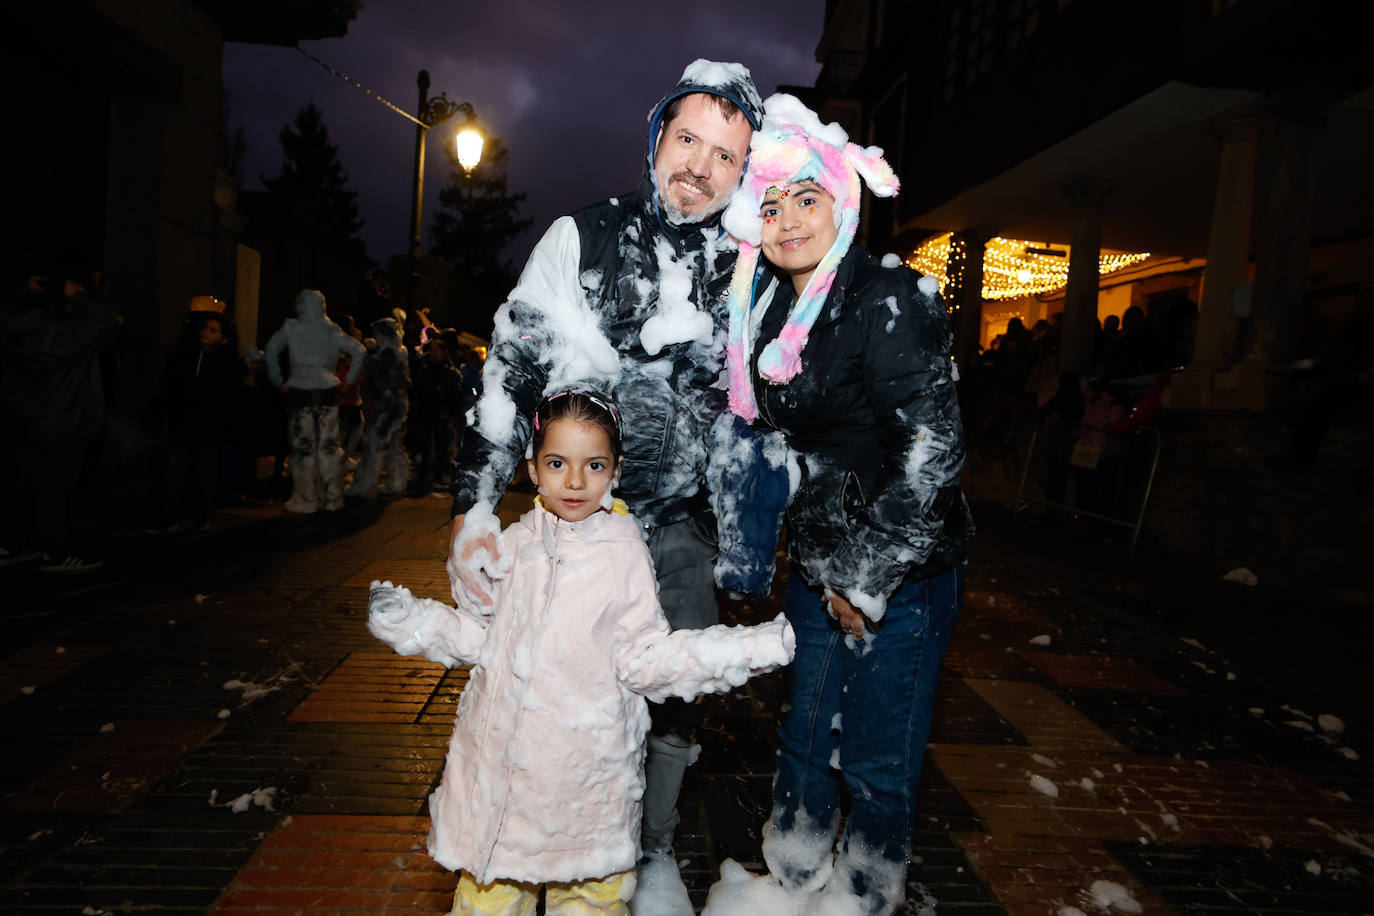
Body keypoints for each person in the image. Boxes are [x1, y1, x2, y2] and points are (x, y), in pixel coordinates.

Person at [444, 58, 763, 912]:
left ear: (744, 170)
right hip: (576, 527)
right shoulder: (580, 239)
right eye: (687, 139)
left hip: (686, 527)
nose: (698, 164)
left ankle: (645, 849)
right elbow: (509, 373)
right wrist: (476, 504)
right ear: (658, 139)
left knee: (669, 697)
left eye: (724, 154)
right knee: (551, 686)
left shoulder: (753, 270)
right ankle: (532, 846)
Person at [701, 94, 974, 916]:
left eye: (806, 200)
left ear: (842, 201)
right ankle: (787, 887)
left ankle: (863, 897)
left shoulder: (891, 297)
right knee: (801, 741)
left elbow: (932, 453)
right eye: (772, 205)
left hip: (903, 570)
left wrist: (863, 577)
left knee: (877, 761)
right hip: (819, 557)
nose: (788, 222)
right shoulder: (774, 307)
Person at [370, 392, 794, 916]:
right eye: (557, 463)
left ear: (616, 470)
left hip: (586, 793)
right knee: (490, 905)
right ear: (532, 469)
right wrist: (414, 621)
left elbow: (645, 659)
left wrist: (749, 646)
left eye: (593, 464)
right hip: (505, 797)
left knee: (589, 906)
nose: (574, 481)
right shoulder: (514, 544)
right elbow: (484, 638)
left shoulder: (622, 553)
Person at [0, 261, 121, 572]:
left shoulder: (13, 322)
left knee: (25, 483)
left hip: (26, 416)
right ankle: (53, 553)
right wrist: (78, 295)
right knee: (57, 489)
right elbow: (109, 318)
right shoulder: (66, 331)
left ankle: (10, 544)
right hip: (64, 418)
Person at [264, 289, 365, 513]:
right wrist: (347, 380)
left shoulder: (292, 329)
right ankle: (332, 497)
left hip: (300, 393)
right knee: (329, 447)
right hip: (328, 393)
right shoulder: (331, 330)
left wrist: (278, 380)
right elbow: (359, 350)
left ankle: (305, 499)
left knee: (303, 448)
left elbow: (271, 351)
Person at [146, 313, 243, 532]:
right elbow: (169, 386)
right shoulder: (186, 356)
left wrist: (228, 430)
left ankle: (201, 516)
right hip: (183, 424)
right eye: (206, 328)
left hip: (209, 428)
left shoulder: (228, 365)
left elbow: (231, 401)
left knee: (204, 473)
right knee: (175, 471)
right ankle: (171, 516)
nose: (205, 333)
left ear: (224, 338)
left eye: (213, 330)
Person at [347, 317, 411, 499]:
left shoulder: (385, 355)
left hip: (388, 404)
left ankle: (364, 486)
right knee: (395, 445)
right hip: (400, 403)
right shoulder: (400, 351)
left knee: (375, 442)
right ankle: (397, 483)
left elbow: (362, 374)